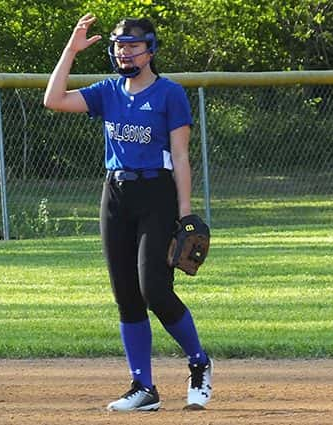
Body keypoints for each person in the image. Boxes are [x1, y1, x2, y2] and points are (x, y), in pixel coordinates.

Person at [43, 13, 212, 412]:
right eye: (120, 45)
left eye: (133, 45)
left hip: (157, 193)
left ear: (150, 50)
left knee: (154, 289)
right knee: (126, 295)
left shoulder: (170, 93)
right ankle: (143, 387)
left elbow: (182, 156)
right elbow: (53, 99)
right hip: (115, 193)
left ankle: (199, 363)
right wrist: (71, 50)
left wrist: (185, 213)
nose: (125, 52)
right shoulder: (108, 91)